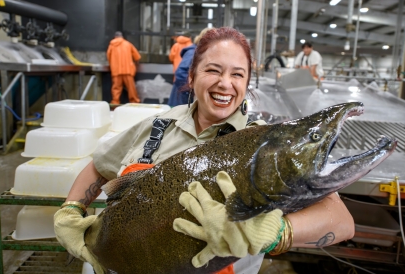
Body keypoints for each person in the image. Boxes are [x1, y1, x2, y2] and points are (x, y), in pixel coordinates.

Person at [53, 27, 354, 274]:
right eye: (213, 70)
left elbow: (341, 221)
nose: (225, 84)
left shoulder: (268, 145)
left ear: (248, 83)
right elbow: (97, 167)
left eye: (238, 74)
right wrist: (71, 210)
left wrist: (278, 234)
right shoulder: (158, 125)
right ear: (192, 75)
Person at [168, 28, 210, 107]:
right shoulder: (193, 52)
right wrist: (190, 88)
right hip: (182, 95)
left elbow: (171, 57)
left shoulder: (177, 45)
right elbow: (180, 72)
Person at [106, 31, 141, 104]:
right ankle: (134, 102)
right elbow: (137, 57)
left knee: (116, 88)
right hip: (128, 70)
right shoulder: (128, 44)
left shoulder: (111, 45)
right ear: (122, 37)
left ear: (115, 37)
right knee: (131, 89)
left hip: (116, 71)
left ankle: (115, 103)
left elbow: (108, 57)